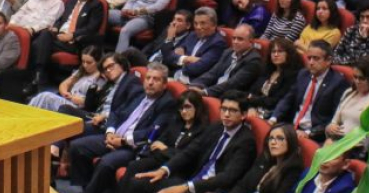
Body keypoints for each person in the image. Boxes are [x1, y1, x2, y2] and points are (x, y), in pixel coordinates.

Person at [69, 63, 178, 193]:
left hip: (133, 147)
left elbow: (153, 132)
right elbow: (116, 112)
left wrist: (123, 141)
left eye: (156, 79)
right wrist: (110, 132)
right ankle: (85, 186)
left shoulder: (167, 103)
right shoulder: (138, 94)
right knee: (77, 146)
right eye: (148, 78)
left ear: (165, 84)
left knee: (105, 163)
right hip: (113, 136)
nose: (150, 82)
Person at [126, 91, 258, 193]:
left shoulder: (246, 142)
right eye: (224, 109)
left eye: (233, 110)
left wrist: (187, 187)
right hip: (192, 178)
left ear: (243, 114)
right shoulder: (216, 127)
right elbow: (191, 151)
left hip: (210, 188)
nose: (226, 114)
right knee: (137, 182)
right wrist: (164, 170)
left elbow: (227, 177)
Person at [28, 0, 105, 90]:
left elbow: (91, 28)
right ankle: (39, 76)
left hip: (75, 42)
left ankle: (37, 78)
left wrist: (72, 35)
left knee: (38, 43)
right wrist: (56, 27)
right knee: (43, 35)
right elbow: (62, 18)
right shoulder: (71, 0)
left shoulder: (96, 5)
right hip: (60, 36)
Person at [269, 40, 349, 142]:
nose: (311, 62)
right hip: (292, 127)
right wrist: (273, 118)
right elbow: (288, 99)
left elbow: (334, 118)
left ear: (328, 60)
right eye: (309, 58)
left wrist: (309, 133)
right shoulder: (303, 74)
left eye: (316, 58)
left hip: (314, 134)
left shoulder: (338, 83)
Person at [191, 24, 264, 97]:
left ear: (250, 42)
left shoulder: (254, 61)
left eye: (240, 39)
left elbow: (233, 84)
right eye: (234, 38)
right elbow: (213, 73)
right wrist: (196, 84)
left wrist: (205, 92)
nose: (235, 42)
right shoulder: (228, 52)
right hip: (214, 89)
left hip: (230, 97)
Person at [229, 124, 305, 193]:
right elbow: (244, 184)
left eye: (279, 138)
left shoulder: (293, 169)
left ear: (290, 141)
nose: (273, 142)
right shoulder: (265, 157)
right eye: (271, 138)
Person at [162, 7, 228, 84]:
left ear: (214, 25)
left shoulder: (218, 43)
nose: (198, 27)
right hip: (176, 75)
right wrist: (187, 59)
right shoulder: (192, 35)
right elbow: (168, 57)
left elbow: (197, 68)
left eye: (202, 23)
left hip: (193, 82)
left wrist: (178, 60)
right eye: (196, 23)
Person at [28, 45, 104, 112]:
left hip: (78, 108)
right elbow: (64, 84)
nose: (85, 65)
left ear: (98, 61)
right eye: (83, 61)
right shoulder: (81, 71)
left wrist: (82, 101)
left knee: (46, 96)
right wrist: (65, 93)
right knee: (40, 96)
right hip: (69, 100)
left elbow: (96, 102)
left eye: (89, 62)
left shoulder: (101, 78)